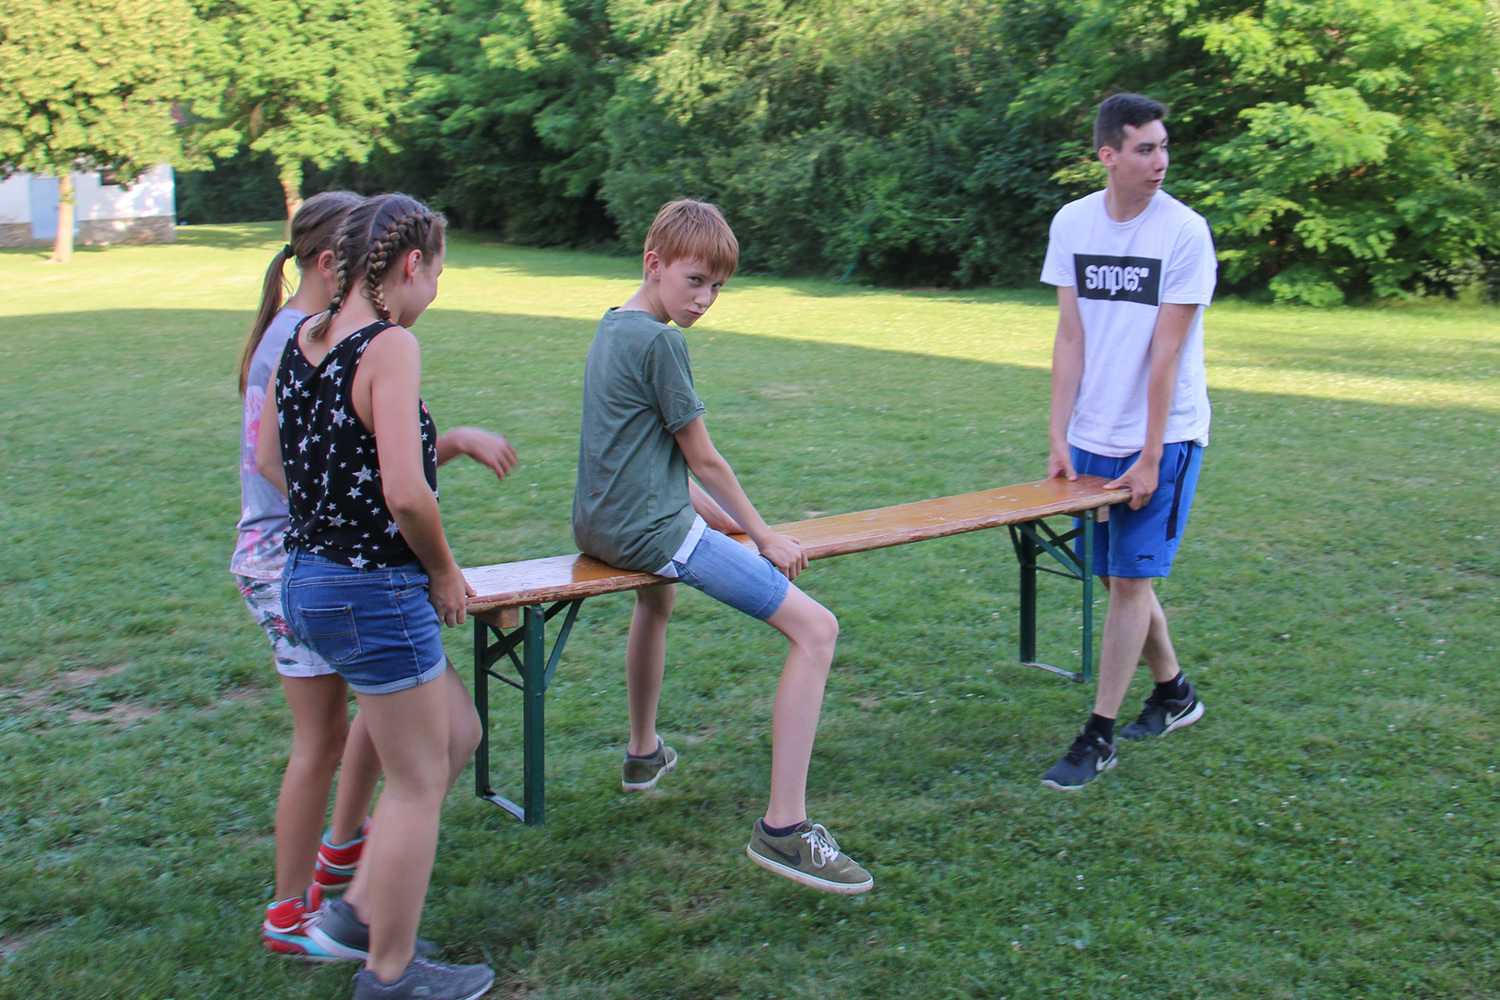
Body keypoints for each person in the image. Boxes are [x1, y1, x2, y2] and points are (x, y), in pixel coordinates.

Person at [572, 199, 872, 894]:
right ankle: (783, 829)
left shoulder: (613, 324)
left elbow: (636, 453)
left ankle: (643, 753)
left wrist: (720, 520)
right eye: (695, 281)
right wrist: (763, 535)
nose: (705, 300)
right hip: (651, 532)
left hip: (602, 526)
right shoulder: (661, 342)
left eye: (717, 287)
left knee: (656, 604)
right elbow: (702, 458)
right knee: (817, 630)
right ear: (654, 264)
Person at [257, 192, 512, 1000]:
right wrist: (443, 571)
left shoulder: (302, 338)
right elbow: (405, 493)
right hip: (373, 590)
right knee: (416, 783)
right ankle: (391, 972)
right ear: (411, 264)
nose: (433, 294)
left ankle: (359, 915)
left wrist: (332, 517)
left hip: (309, 580)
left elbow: (268, 460)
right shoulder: (390, 346)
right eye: (436, 277)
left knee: (457, 732)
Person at [1038, 93, 1214, 791]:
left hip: (1163, 437)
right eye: (1145, 148)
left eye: (1164, 146)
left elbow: (1166, 353)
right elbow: (1070, 336)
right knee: (1113, 575)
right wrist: (1059, 433)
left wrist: (1150, 454)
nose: (1160, 160)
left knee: (1131, 581)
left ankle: (1099, 733)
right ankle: (1174, 692)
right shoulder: (1072, 222)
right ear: (1108, 154)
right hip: (1091, 435)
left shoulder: (1184, 232)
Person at [236, 190, 384, 958]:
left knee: (384, 702)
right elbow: (276, 464)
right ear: (331, 265)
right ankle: (289, 913)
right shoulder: (294, 341)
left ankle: (344, 843)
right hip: (282, 560)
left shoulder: (300, 332)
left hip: (304, 554)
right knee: (321, 740)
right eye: (367, 268)